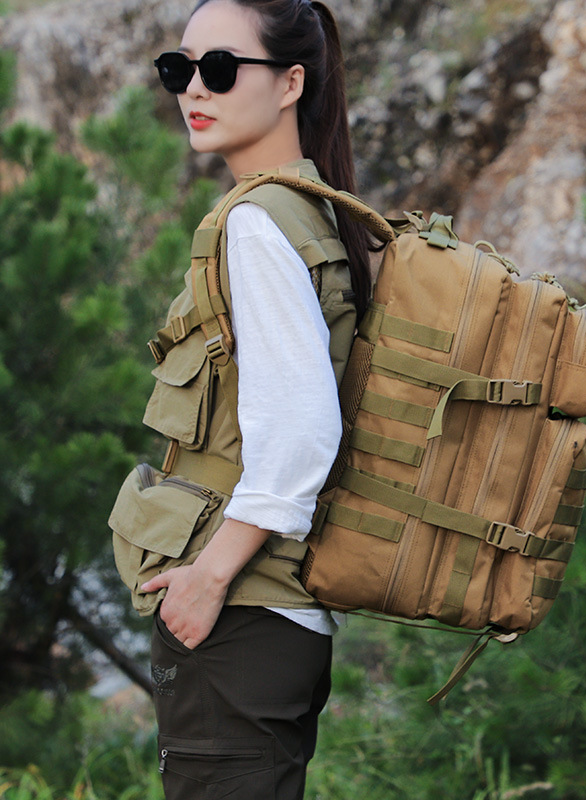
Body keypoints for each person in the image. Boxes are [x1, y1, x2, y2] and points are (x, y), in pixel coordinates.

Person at [129, 1, 370, 797]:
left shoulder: (259, 224)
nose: (194, 89)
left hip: (240, 616)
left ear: (291, 83)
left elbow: (304, 426)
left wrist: (209, 576)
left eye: (222, 68)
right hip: (274, 623)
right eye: (180, 69)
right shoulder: (312, 208)